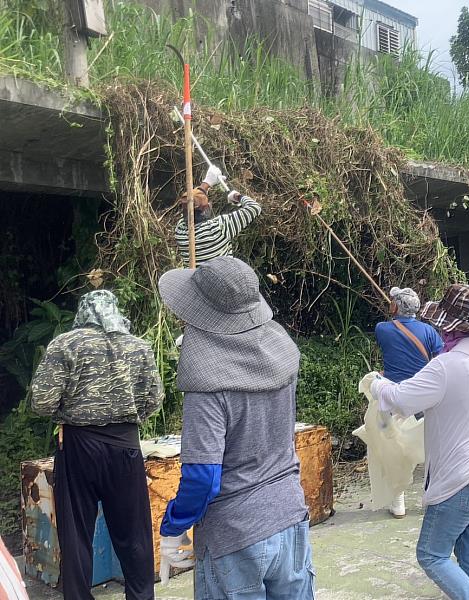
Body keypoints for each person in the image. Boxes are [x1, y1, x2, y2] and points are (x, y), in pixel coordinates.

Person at [158, 256, 314, 598]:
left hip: (235, 532)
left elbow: (203, 478)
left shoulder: (206, 378)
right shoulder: (281, 348)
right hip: (290, 514)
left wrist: (173, 526)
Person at [371, 284, 469, 600]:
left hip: (464, 476)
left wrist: (378, 386)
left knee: (431, 555)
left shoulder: (449, 365)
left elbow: (400, 398)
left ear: (452, 326)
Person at [30, 290, 164, 600]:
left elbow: (42, 401)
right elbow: (153, 399)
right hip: (125, 445)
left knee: (76, 535)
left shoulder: (65, 344)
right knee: (135, 535)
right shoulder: (138, 346)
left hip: (78, 445)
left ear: (82, 313)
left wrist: (67, 412)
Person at [374, 286, 443, 518]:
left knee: (391, 446)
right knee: (428, 446)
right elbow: (439, 358)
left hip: (391, 397)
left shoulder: (382, 329)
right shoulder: (430, 332)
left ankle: (398, 500)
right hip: (422, 396)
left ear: (395, 306)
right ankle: (430, 496)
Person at [175, 166, 262, 266]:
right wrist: (237, 196)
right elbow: (254, 207)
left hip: (196, 280)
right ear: (205, 210)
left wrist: (207, 183)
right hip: (223, 279)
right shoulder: (219, 227)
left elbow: (190, 203)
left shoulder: (180, 230)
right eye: (209, 204)